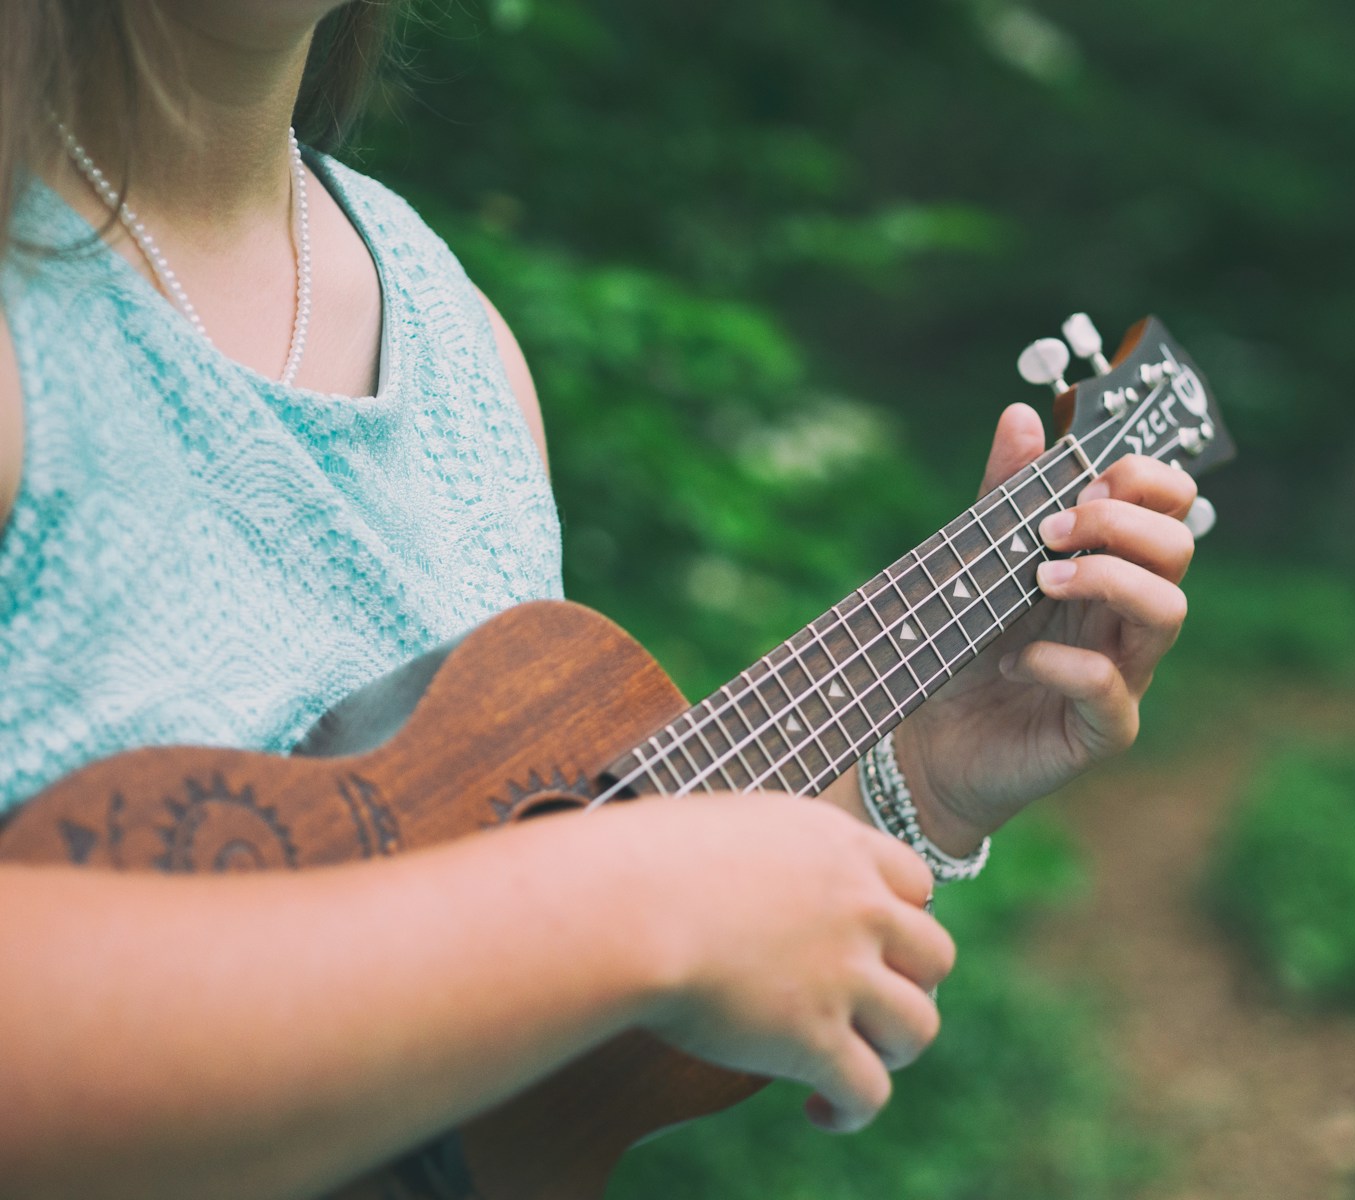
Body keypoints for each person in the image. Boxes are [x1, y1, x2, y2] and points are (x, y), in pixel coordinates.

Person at [0, 2, 1198, 1196]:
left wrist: (914, 776)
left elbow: (493, 1061)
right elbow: (578, 918)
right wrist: (623, 908)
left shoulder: (463, 350)